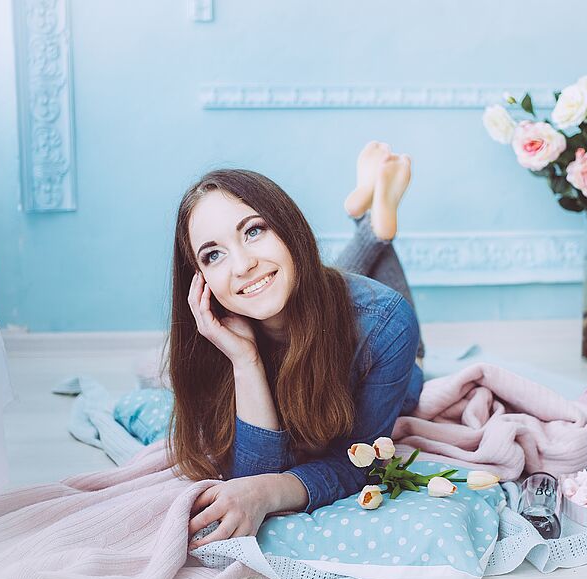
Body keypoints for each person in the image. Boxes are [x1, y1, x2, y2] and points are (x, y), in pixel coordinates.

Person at [169, 142, 425, 550]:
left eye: (253, 231)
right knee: (302, 279)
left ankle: (371, 218)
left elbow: (356, 462)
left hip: (389, 355)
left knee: (373, 308)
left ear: (287, 226)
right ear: (199, 281)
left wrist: (270, 493)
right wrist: (245, 359)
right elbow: (253, 473)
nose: (241, 264)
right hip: (313, 292)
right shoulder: (214, 338)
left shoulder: (384, 326)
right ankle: (371, 215)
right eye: (213, 255)